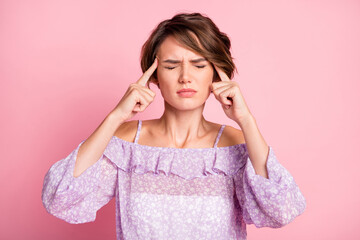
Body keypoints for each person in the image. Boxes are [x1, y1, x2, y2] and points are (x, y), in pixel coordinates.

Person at [41, 12, 306, 240]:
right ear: (154, 75)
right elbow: (60, 198)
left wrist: (246, 120)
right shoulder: (125, 144)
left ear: (216, 73)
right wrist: (114, 118)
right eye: (171, 65)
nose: (185, 77)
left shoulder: (236, 144)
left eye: (199, 64)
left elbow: (282, 209)